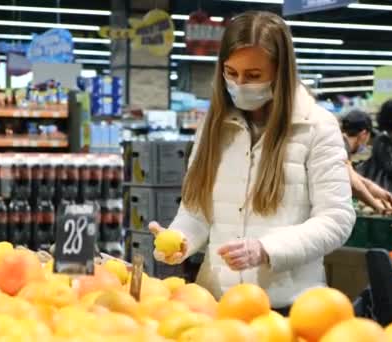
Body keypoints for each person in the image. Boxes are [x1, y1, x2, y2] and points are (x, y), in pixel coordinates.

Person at [148, 11, 356, 313]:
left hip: (289, 308)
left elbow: (337, 219)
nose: (240, 84)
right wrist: (182, 238)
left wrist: (266, 249)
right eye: (231, 73)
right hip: (217, 303)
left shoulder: (317, 127)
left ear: (281, 70)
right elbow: (196, 210)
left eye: (254, 75)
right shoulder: (213, 126)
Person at [342, 110, 392, 214]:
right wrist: (378, 207)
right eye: (368, 139)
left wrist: (391, 198)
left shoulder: (343, 147)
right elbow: (354, 184)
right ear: (363, 134)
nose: (366, 144)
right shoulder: (340, 147)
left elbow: (362, 182)